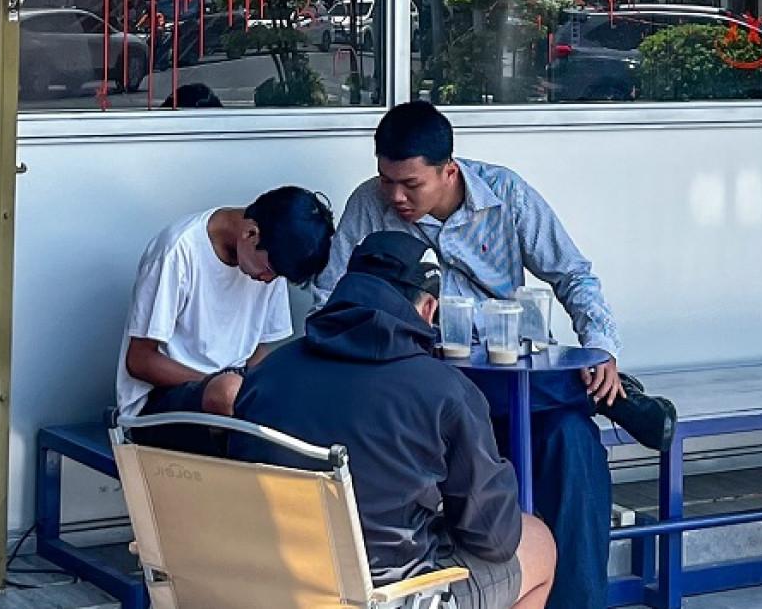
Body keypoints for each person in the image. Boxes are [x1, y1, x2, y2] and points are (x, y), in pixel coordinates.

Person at [312, 101, 676, 609]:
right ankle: (594, 395)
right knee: (562, 407)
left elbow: (572, 273)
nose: (395, 196)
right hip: (427, 381)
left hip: (511, 376)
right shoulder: (368, 206)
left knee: (573, 443)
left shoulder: (505, 195)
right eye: (386, 180)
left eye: (410, 184)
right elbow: (330, 297)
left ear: (449, 171)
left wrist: (600, 348)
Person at [230, 231, 555, 609]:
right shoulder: (445, 391)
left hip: (271, 583)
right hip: (383, 597)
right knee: (537, 543)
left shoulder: (268, 373)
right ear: (429, 308)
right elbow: (494, 540)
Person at [115, 186, 335, 453]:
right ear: (250, 233)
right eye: (269, 271)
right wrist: (215, 382)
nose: (268, 280)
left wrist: (281, 386)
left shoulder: (272, 262)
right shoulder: (178, 251)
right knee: (228, 392)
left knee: (311, 387)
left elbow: (255, 351)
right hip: (158, 408)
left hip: (233, 389)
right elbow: (139, 361)